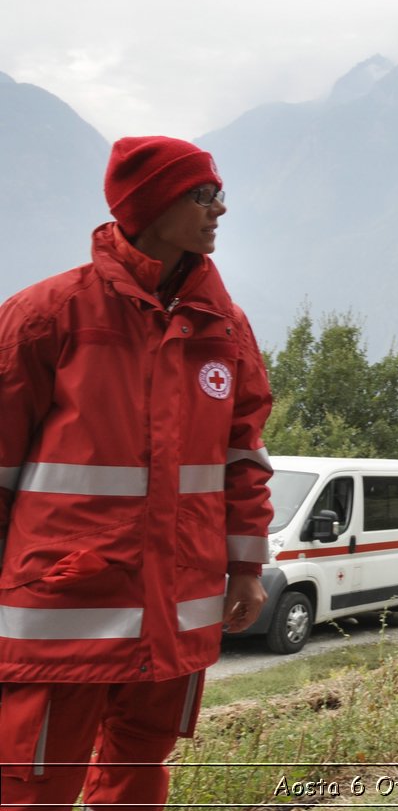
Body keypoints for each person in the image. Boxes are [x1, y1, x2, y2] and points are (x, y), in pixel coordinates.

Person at [0, 136, 273, 809]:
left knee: (139, 772)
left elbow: (244, 460)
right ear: (150, 206)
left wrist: (245, 568)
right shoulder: (46, 316)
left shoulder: (225, 328)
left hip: (176, 611)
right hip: (64, 613)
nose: (221, 209)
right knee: (30, 786)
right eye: (202, 195)